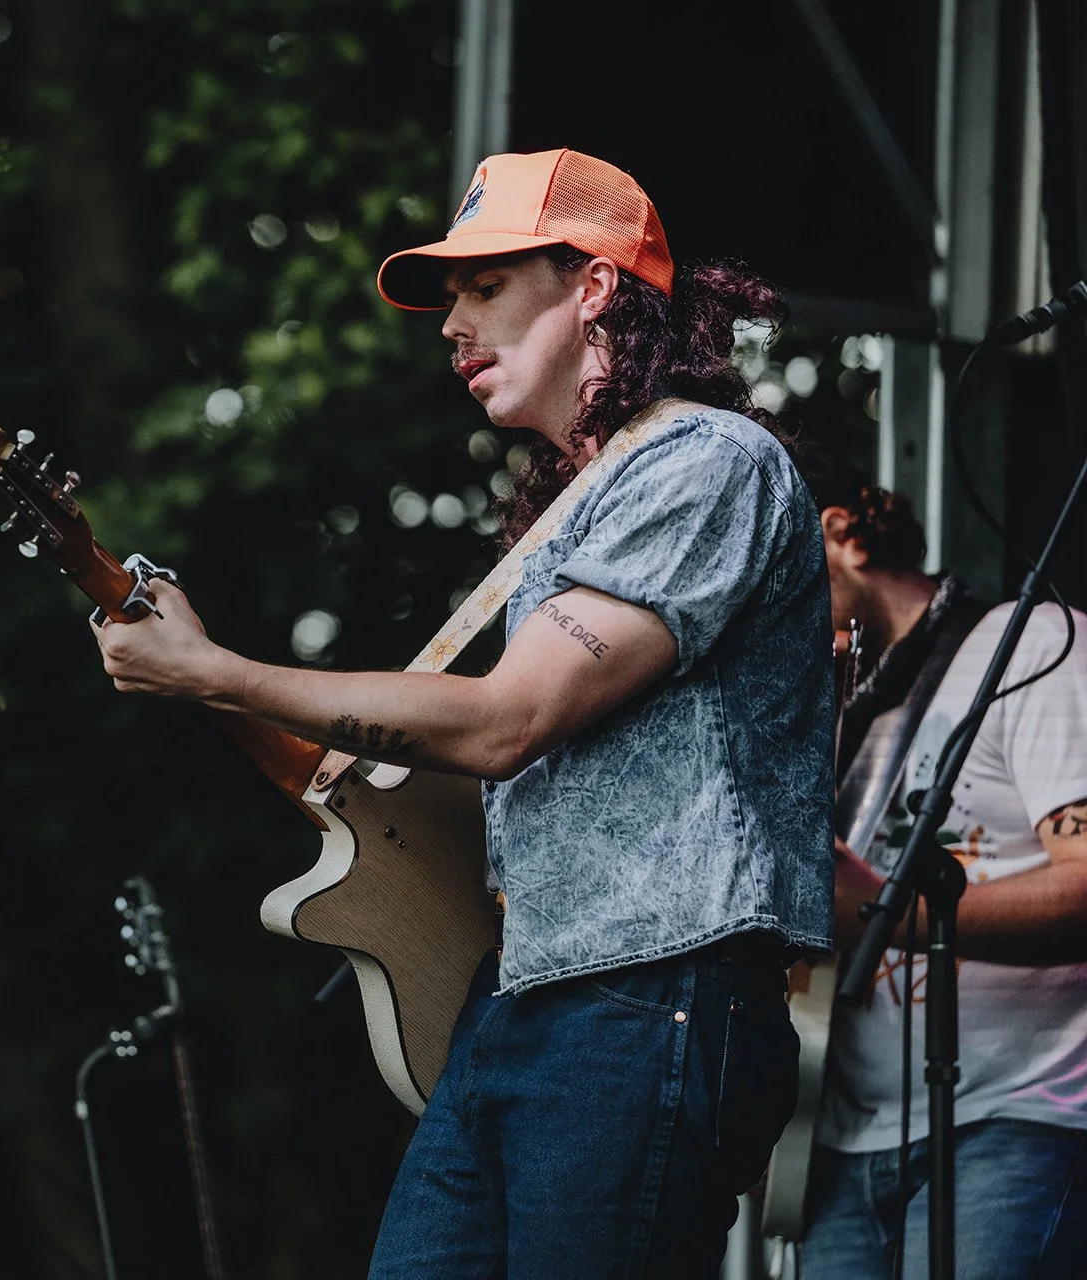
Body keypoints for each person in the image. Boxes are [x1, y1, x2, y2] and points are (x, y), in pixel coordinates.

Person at [92, 147, 834, 1277]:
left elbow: (504, 721)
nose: (452, 324)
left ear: (593, 285)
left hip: (652, 997)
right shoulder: (580, 508)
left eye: (485, 286)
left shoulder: (707, 461)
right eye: (450, 298)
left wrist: (217, 671)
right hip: (524, 992)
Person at [797, 456, 1087, 1277]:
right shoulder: (851, 709)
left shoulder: (1028, 646)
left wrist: (885, 910)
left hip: (1016, 1123)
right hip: (844, 1140)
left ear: (840, 533)